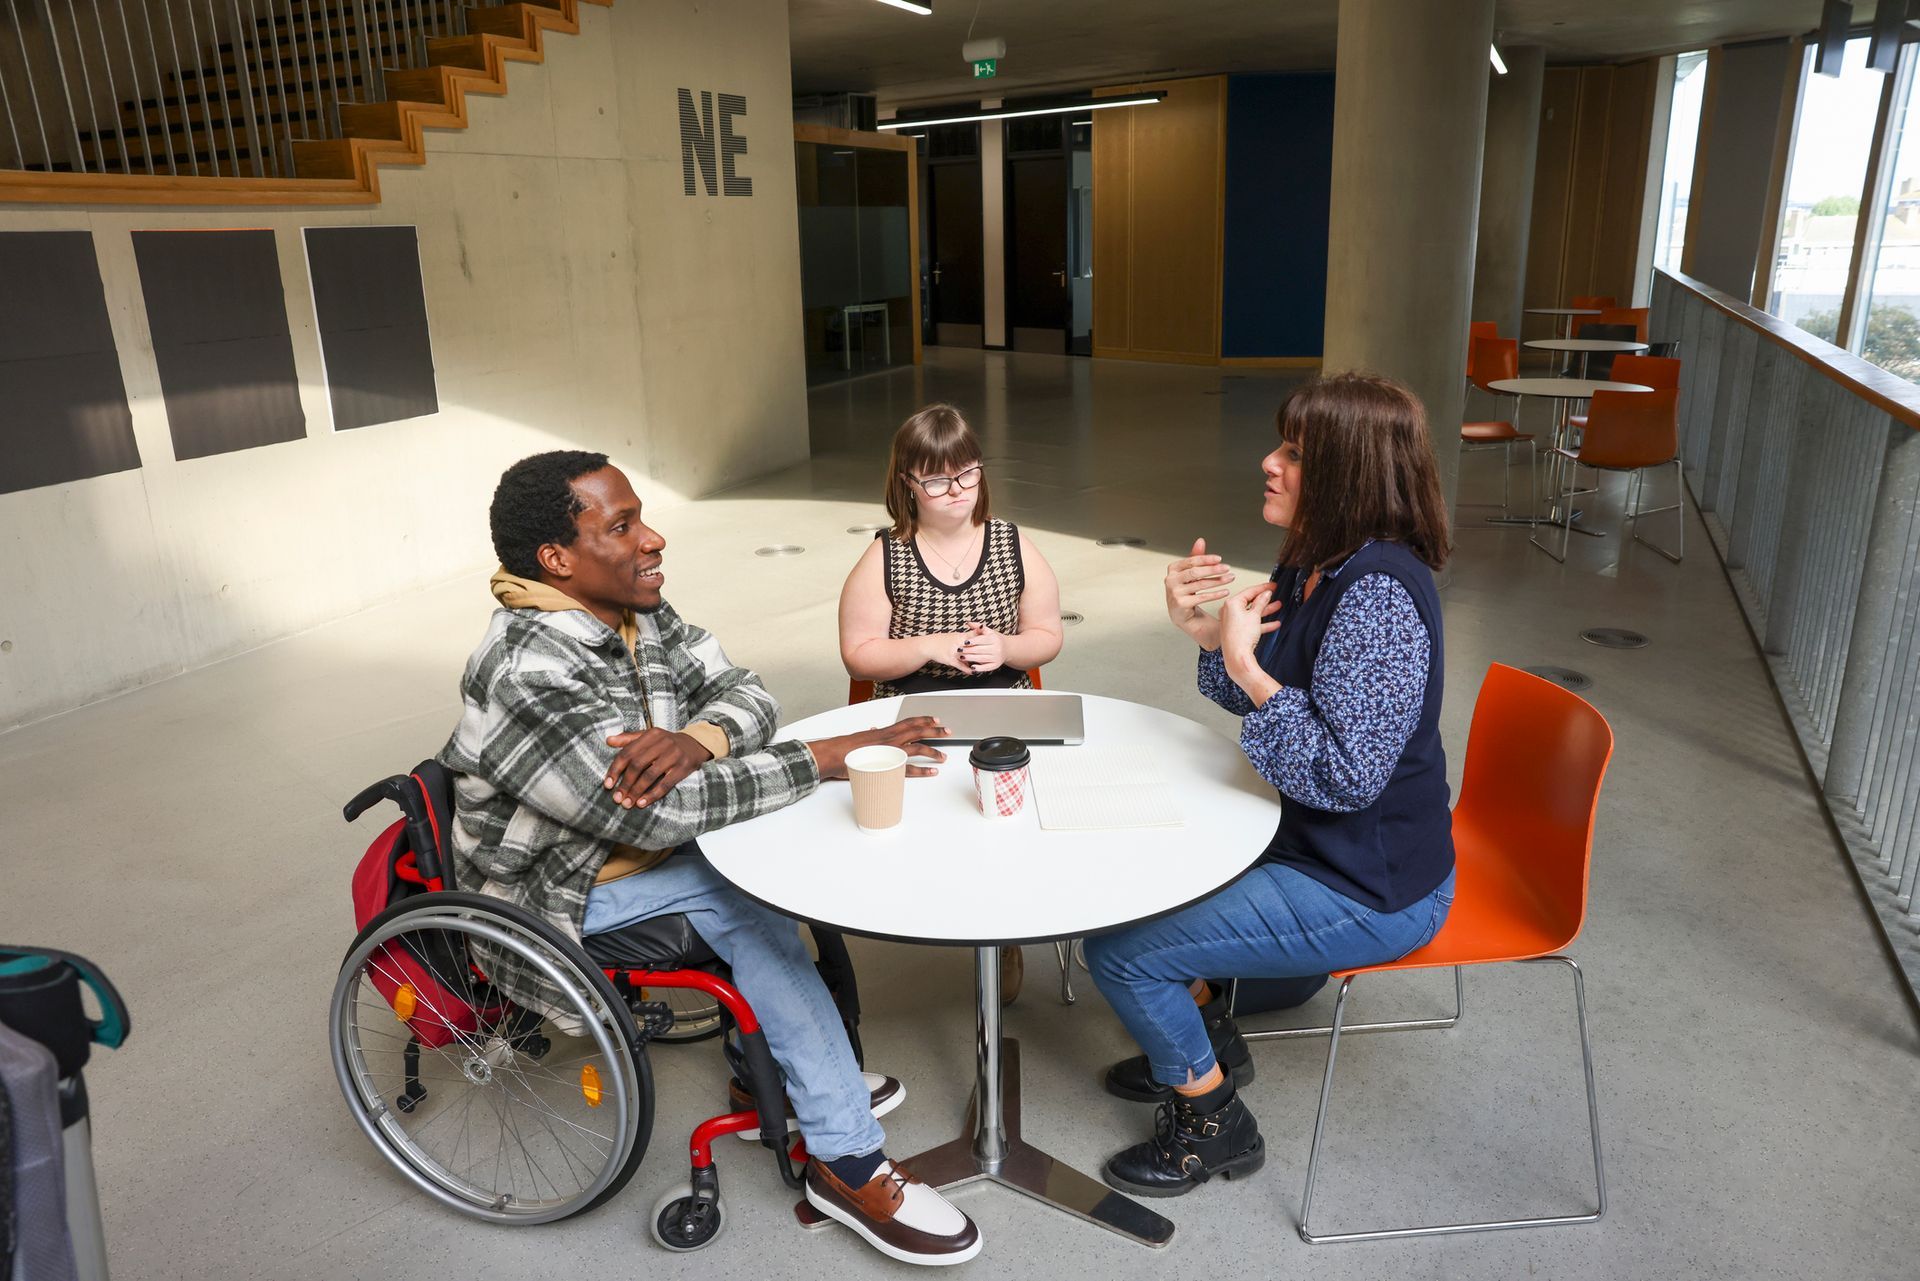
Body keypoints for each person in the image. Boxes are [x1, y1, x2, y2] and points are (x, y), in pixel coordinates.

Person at [439, 450, 982, 1265]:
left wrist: (697, 737)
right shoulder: (529, 670)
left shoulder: (631, 608)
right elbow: (664, 815)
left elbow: (749, 690)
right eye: (620, 526)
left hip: (630, 854)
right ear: (558, 560)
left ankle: (775, 1073)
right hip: (554, 895)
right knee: (748, 903)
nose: (652, 538)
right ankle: (848, 1162)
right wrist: (829, 755)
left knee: (787, 854)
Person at [1084, 373, 1458, 1198]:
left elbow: (1344, 775)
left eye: (1294, 453)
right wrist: (1210, 640)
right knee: (1135, 876)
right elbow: (1271, 697)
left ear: (1349, 476)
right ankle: (1212, 1034)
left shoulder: (1381, 598)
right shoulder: (1316, 562)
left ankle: (1213, 1119)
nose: (1269, 463)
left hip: (1371, 884)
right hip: (1304, 841)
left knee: (1120, 953)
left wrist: (1245, 664)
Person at [837, 403, 1064, 1004]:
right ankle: (945, 903)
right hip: (915, 713)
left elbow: (1048, 637)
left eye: (968, 474)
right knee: (938, 815)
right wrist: (930, 645)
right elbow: (860, 655)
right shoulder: (886, 555)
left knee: (1006, 811)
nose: (956, 491)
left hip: (1003, 707)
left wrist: (1008, 645)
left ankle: (1003, 933)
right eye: (937, 480)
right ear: (906, 484)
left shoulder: (1013, 543)